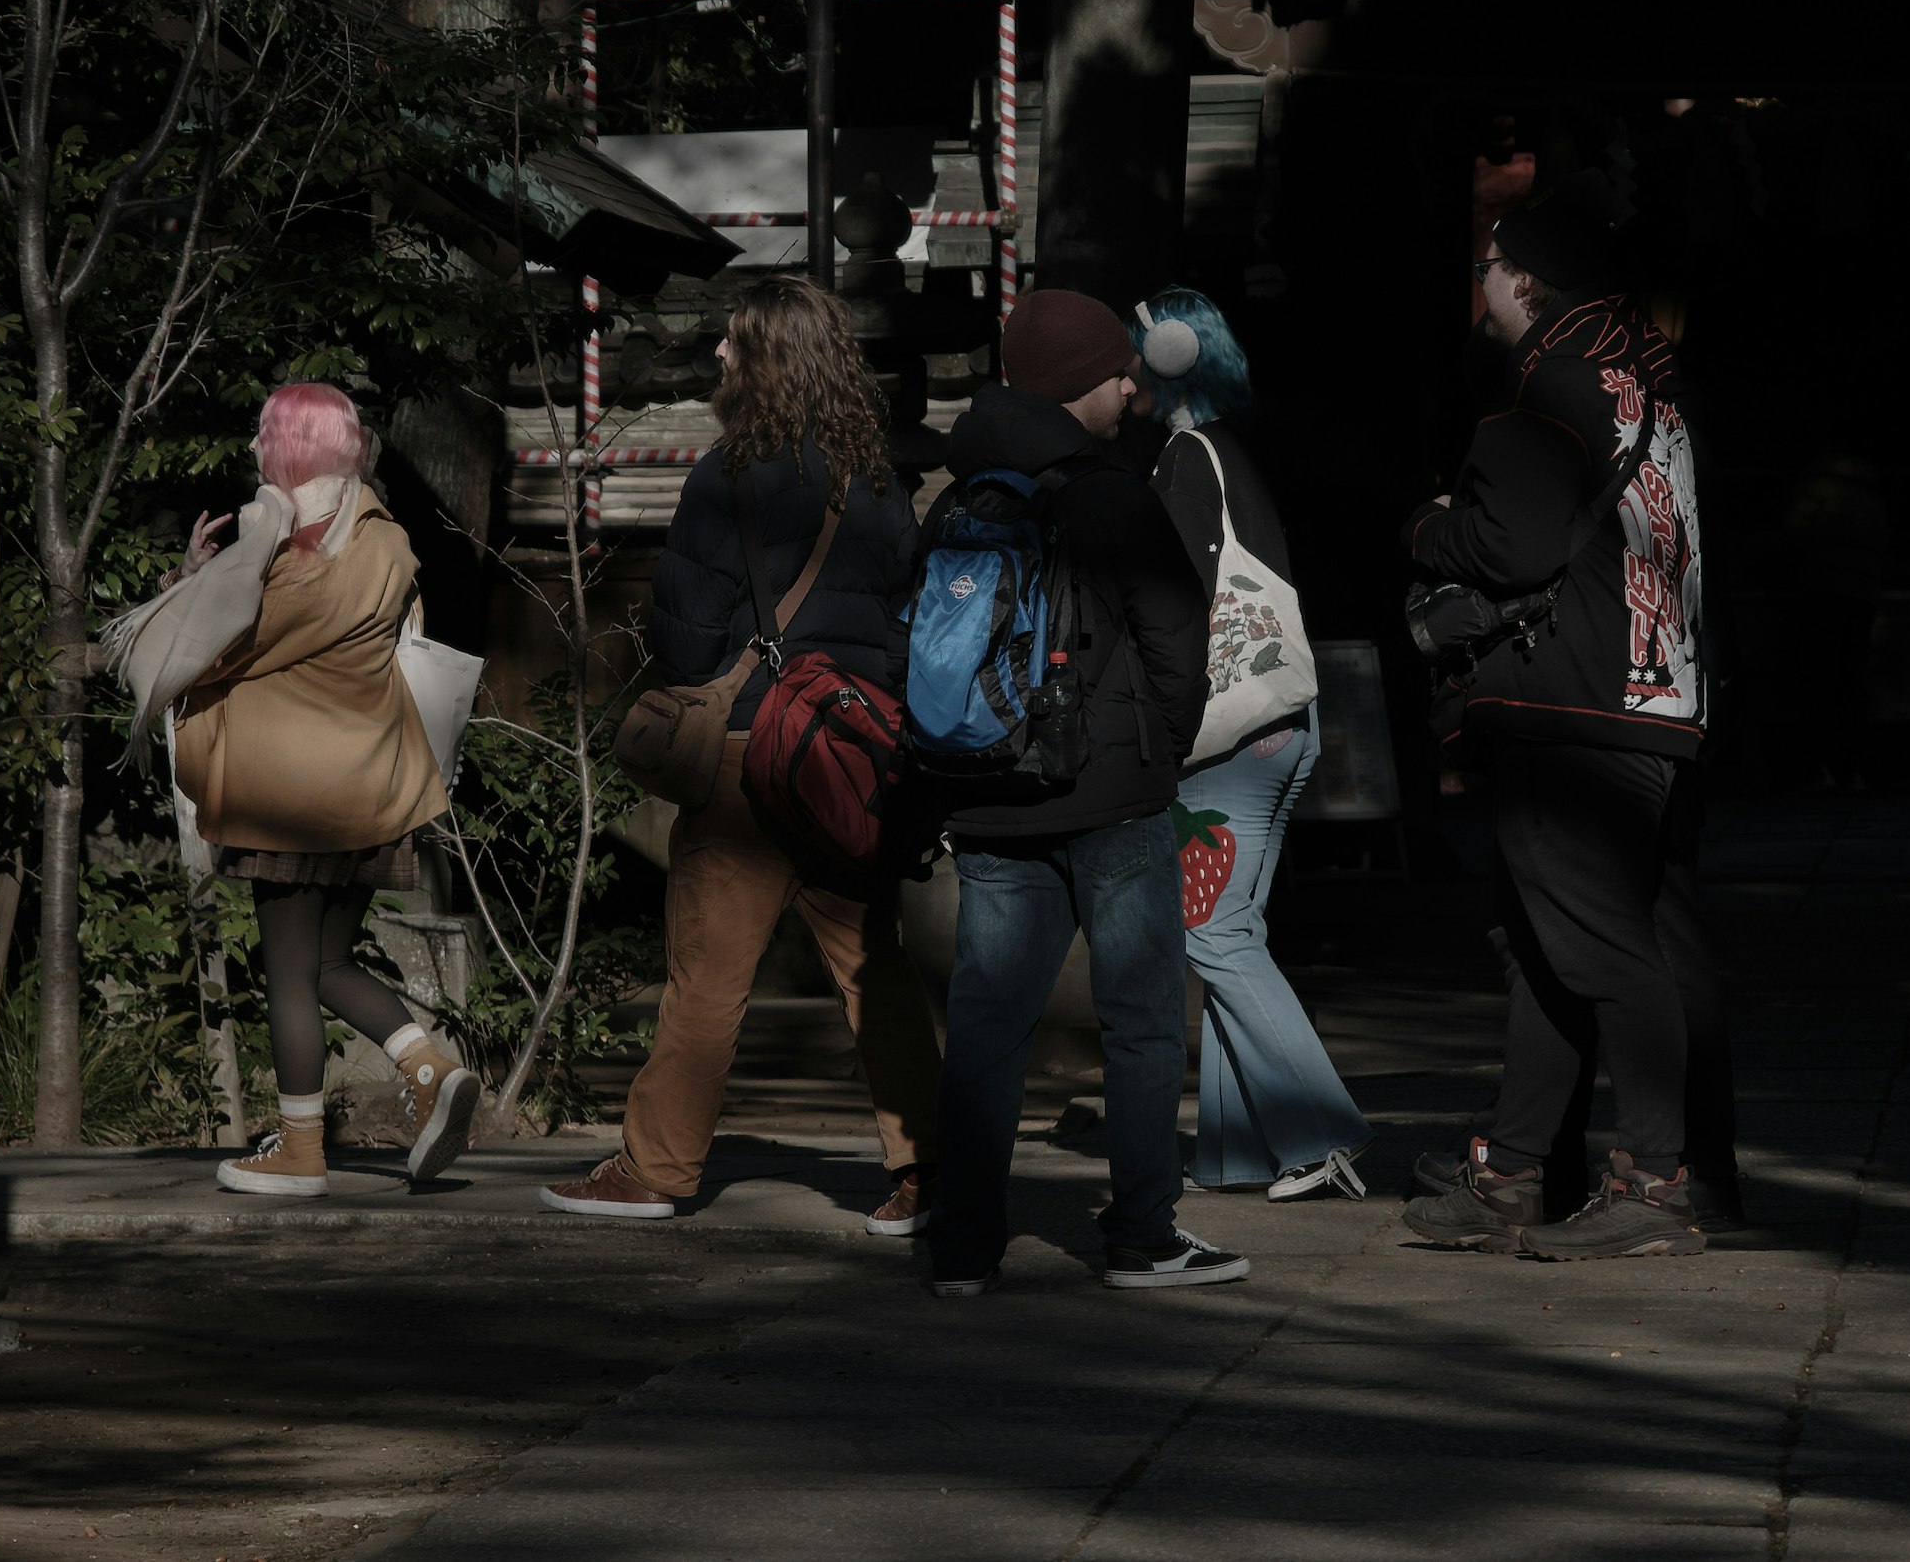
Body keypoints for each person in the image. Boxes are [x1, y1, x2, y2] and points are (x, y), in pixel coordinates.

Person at [544, 275, 941, 1228]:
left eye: (731, 341)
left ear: (762, 361)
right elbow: (904, 634)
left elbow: (686, 641)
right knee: (873, 970)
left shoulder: (726, 477)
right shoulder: (881, 482)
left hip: (745, 757)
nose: (718, 355)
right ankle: (932, 1169)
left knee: (708, 980)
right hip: (848, 760)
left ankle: (656, 1170)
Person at [1398, 189, 1739, 1258]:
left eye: (1493, 263)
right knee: (1556, 940)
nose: (1483, 281)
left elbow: (1513, 548)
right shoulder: (1654, 383)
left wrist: (1431, 527)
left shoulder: (1549, 380)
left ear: (1529, 277)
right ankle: (1515, 1163)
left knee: (1600, 944)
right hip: (1656, 696)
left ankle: (1654, 1179)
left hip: (1570, 701)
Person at [925, 288, 1251, 1296]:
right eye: (1119, 375)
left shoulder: (957, 493)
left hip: (984, 790)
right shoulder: (1109, 493)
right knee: (1143, 1020)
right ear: (1081, 386)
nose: (1131, 389)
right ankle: (1145, 1235)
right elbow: (1176, 642)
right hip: (1111, 800)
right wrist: (1159, 752)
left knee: (986, 1024)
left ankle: (963, 1247)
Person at [172, 382, 482, 1196]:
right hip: (375, 789)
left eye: (262, 434)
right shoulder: (386, 538)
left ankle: (301, 1150)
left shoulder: (276, 558)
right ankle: (428, 1066)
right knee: (329, 962)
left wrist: (197, 577)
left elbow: (211, 650)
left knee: (285, 975)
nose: (250, 449)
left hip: (287, 798)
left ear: (289, 449)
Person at [1130, 287, 1373, 1203]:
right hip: (1281, 724)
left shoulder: (1186, 459)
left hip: (1232, 737)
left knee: (1213, 930)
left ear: (1166, 356)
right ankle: (1236, 1148)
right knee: (1233, 930)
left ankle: (1319, 1132)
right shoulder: (1240, 450)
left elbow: (1172, 603)